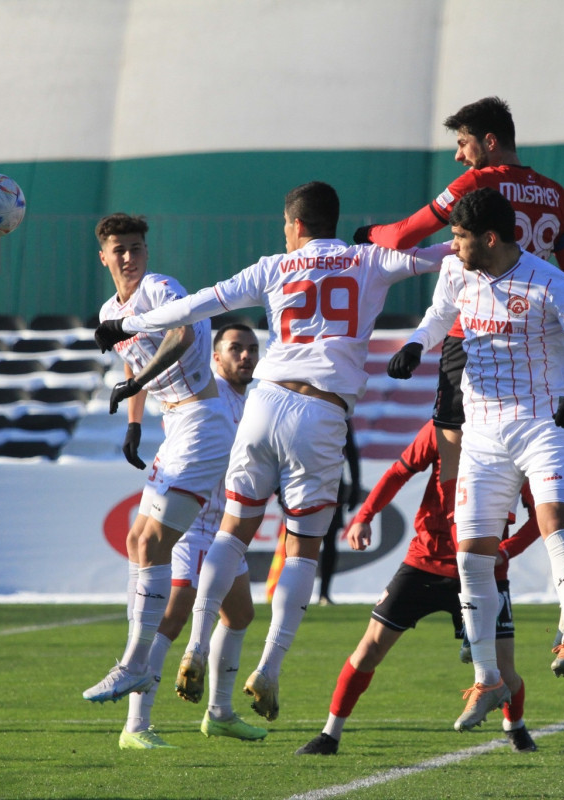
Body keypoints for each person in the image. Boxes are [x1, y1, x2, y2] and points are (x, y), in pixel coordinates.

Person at [94, 181, 452, 721]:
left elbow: (197, 306)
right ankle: (270, 667)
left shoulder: (273, 266)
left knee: (233, 530)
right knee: (304, 548)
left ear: (295, 224)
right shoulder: (370, 258)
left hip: (264, 403)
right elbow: (442, 256)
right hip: (323, 411)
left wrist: (128, 323)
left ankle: (191, 648)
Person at [358, 96, 564, 665]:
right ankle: (485, 661)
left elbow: (405, 236)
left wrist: (369, 233)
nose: (459, 156)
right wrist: (408, 345)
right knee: (476, 543)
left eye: (464, 143)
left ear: (489, 142)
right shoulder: (552, 193)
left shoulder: (479, 189)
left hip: (518, 367)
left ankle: (547, 618)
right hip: (494, 371)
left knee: (506, 500)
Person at [387, 187, 564, 732]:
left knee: (556, 522)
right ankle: (487, 678)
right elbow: (438, 318)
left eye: (458, 237)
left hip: (542, 425)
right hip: (481, 433)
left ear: (489, 238)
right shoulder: (456, 274)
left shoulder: (553, 284)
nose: (451, 245)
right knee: (470, 559)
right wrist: (416, 345)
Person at [296, 420, 542, 756]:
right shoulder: (442, 428)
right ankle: (330, 734)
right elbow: (399, 472)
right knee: (369, 648)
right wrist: (365, 515)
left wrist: (506, 550)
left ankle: (515, 728)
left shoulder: (514, 436)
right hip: (425, 560)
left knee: (505, 671)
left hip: (484, 569)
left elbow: (545, 512)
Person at [82, 213, 238, 708]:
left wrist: (135, 381)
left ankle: (134, 665)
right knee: (137, 540)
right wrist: (133, 422)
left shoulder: (160, 287)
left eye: (136, 247)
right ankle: (140, 670)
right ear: (103, 256)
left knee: (151, 543)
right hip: (175, 424)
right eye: (119, 250)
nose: (129, 257)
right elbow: (132, 358)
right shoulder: (112, 308)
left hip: (204, 422)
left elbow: (182, 335)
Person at [114, 322, 268, 748]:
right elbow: (151, 368)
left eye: (252, 349)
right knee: (169, 618)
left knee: (239, 617)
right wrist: (135, 423)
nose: (246, 356)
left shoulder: (252, 400)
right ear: (215, 357)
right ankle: (135, 726)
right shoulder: (206, 396)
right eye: (236, 348)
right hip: (193, 524)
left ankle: (219, 713)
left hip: (226, 528)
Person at [316, 420, 360, 606]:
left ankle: (324, 593)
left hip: (333, 484)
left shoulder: (339, 410)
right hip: (303, 481)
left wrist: (355, 485)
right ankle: (292, 591)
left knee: (330, 540)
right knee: (297, 540)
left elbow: (351, 449)